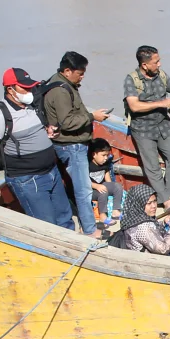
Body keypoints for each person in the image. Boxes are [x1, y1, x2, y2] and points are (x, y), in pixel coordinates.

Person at [0, 68, 75, 231]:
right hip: (28, 179)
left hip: (52, 172)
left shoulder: (32, 106)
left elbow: (35, 130)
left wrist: (48, 131)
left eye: (30, 86)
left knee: (65, 218)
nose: (30, 91)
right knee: (46, 227)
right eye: (24, 87)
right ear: (10, 89)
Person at [44, 51, 111, 238]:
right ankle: (89, 230)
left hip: (72, 145)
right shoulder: (61, 91)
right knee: (84, 190)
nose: (82, 77)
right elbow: (67, 122)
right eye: (80, 73)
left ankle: (86, 226)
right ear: (67, 71)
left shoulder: (62, 84)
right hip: (71, 147)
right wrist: (92, 116)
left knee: (82, 188)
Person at [123, 45, 170, 214]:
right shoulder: (131, 80)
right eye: (156, 62)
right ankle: (166, 201)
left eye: (159, 60)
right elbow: (134, 106)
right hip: (143, 130)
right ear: (144, 65)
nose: (159, 64)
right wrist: (161, 103)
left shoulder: (161, 75)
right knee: (152, 167)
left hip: (164, 126)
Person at [113, 184, 170, 255]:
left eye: (155, 201)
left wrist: (164, 223)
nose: (154, 206)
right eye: (149, 203)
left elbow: (152, 228)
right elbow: (163, 249)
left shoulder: (132, 217)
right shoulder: (142, 228)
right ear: (139, 204)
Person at [86, 138, 122, 231]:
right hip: (91, 190)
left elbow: (107, 175)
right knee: (103, 191)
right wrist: (96, 186)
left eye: (107, 155)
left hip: (102, 186)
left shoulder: (105, 163)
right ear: (94, 154)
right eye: (103, 155)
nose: (106, 158)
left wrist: (111, 187)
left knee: (117, 186)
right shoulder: (87, 165)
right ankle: (102, 216)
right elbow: (84, 181)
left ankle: (115, 211)